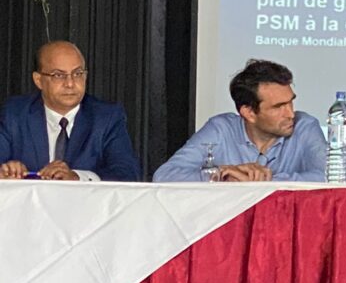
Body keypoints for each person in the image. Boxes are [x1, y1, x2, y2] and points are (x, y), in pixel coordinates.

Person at [153, 59, 326, 182]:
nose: (290, 113)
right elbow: (164, 175)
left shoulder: (305, 126)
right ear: (249, 113)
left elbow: (329, 179)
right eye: (278, 107)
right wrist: (223, 175)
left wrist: (263, 180)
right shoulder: (221, 129)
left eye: (290, 102)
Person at [0, 40, 140, 181]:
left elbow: (127, 173)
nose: (70, 83)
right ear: (38, 80)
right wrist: (6, 171)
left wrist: (77, 177)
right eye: (58, 75)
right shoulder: (14, 114)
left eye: (77, 73)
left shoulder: (106, 117)